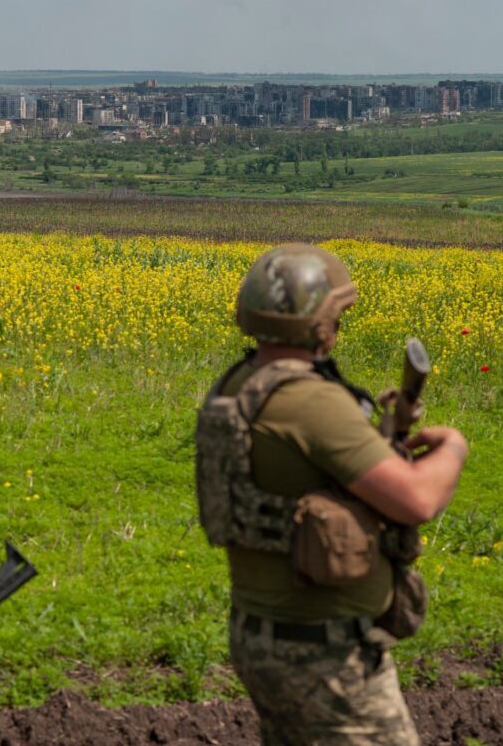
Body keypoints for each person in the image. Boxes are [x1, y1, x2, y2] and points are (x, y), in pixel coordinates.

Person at [195, 244, 468, 745]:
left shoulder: (240, 384)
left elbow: (302, 475)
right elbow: (415, 500)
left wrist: (381, 437)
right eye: (337, 316)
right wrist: (452, 448)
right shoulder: (311, 402)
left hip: (261, 633)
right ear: (320, 324)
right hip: (325, 656)